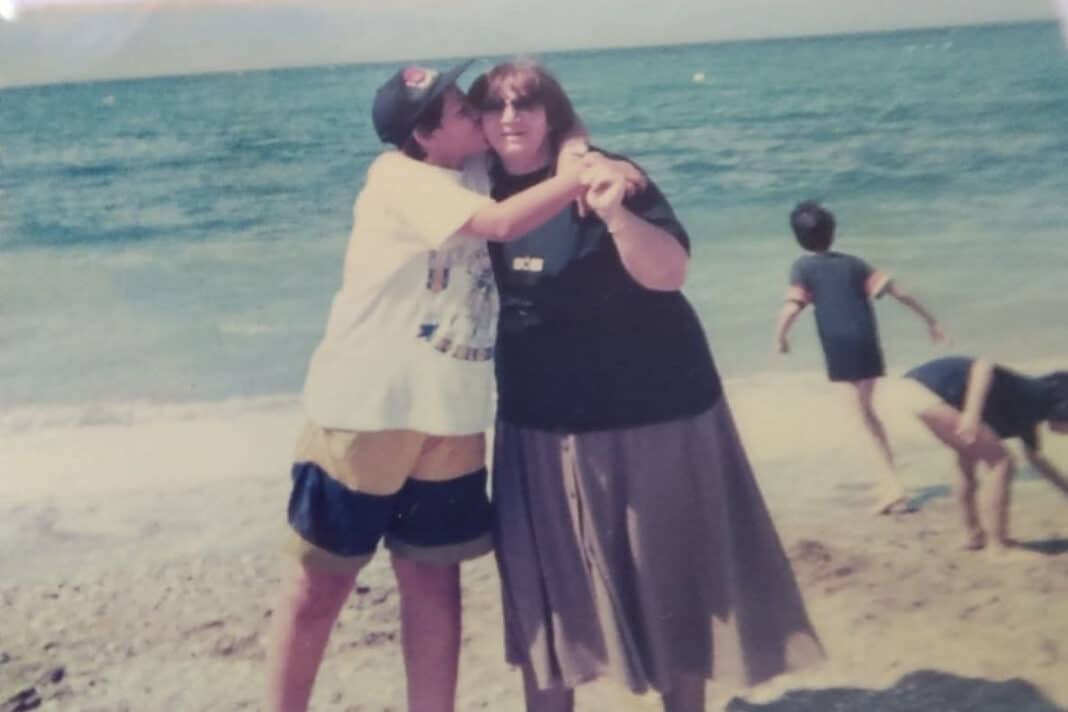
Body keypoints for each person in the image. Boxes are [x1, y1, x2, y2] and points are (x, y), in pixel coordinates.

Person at [263, 60, 625, 712]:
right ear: (425, 136)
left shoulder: (473, 168)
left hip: (451, 417)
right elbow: (501, 225)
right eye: (464, 111)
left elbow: (564, 123)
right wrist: (581, 175)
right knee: (320, 588)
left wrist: (579, 151)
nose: (481, 117)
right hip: (364, 414)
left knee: (435, 587)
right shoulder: (397, 178)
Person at [468, 60, 824, 712]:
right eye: (495, 107)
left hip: (656, 411)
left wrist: (616, 216)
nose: (510, 118)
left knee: (673, 588)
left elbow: (670, 272)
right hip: (540, 424)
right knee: (546, 609)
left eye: (526, 104)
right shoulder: (475, 185)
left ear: (550, 114)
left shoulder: (609, 176)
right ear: (479, 121)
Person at [775, 200, 946, 514]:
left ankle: (892, 487)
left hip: (839, 346)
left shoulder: (802, 268)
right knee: (867, 413)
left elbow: (792, 306)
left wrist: (781, 337)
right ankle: (890, 482)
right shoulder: (855, 264)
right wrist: (930, 320)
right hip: (867, 342)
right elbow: (899, 292)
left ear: (798, 238)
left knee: (862, 418)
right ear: (832, 232)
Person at [902, 356, 1068, 554]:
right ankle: (997, 546)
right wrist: (972, 414)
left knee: (967, 456)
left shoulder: (1029, 416)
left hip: (910, 388)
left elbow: (1037, 460)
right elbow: (983, 365)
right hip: (934, 384)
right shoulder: (1034, 394)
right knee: (1002, 462)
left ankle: (972, 535)